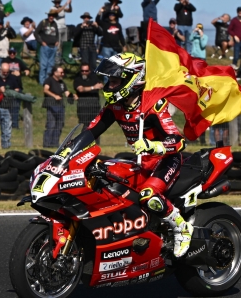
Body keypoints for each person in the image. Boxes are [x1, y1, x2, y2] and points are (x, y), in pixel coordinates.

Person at [88, 53, 192, 257]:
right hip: (141, 161)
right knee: (105, 179)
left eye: (115, 81)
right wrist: (67, 151)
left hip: (166, 160)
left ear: (131, 80)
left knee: (148, 196)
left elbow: (178, 141)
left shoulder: (152, 104)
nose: (109, 85)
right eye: (109, 80)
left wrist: (154, 146)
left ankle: (181, 228)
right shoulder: (115, 106)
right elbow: (90, 132)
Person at [43, 66, 77, 147]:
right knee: (51, 125)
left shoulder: (62, 83)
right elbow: (45, 90)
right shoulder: (49, 80)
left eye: (63, 72)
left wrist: (72, 96)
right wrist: (54, 96)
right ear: (55, 72)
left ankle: (55, 143)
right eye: (61, 72)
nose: (62, 74)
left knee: (59, 125)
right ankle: (47, 144)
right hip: (51, 105)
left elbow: (67, 93)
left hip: (60, 105)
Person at [0, 63, 18, 148]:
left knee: (7, 128)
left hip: (7, 106)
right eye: (4, 72)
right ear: (0, 70)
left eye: (7, 72)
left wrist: (13, 92)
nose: (5, 73)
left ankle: (6, 145)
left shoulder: (12, 78)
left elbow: (17, 88)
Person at [73, 63, 103, 129]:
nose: (84, 72)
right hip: (84, 105)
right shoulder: (78, 79)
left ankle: (96, 139)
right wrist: (93, 87)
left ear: (89, 71)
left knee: (96, 125)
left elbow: (100, 85)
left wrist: (87, 88)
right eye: (82, 71)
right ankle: (84, 139)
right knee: (86, 125)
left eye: (86, 71)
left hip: (95, 104)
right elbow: (80, 89)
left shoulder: (94, 77)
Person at [34, 9, 59, 85]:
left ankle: (48, 81)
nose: (51, 17)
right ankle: (42, 82)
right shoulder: (43, 22)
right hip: (45, 46)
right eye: (50, 15)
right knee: (44, 65)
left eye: (52, 16)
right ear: (48, 16)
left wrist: (57, 41)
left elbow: (57, 34)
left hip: (53, 47)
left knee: (51, 65)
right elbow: (35, 33)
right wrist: (41, 42)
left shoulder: (55, 24)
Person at [228, 7, 241, 75]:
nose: (240, 12)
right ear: (237, 12)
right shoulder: (234, 20)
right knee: (236, 57)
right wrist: (234, 36)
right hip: (237, 42)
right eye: (239, 11)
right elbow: (229, 30)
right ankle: (233, 71)